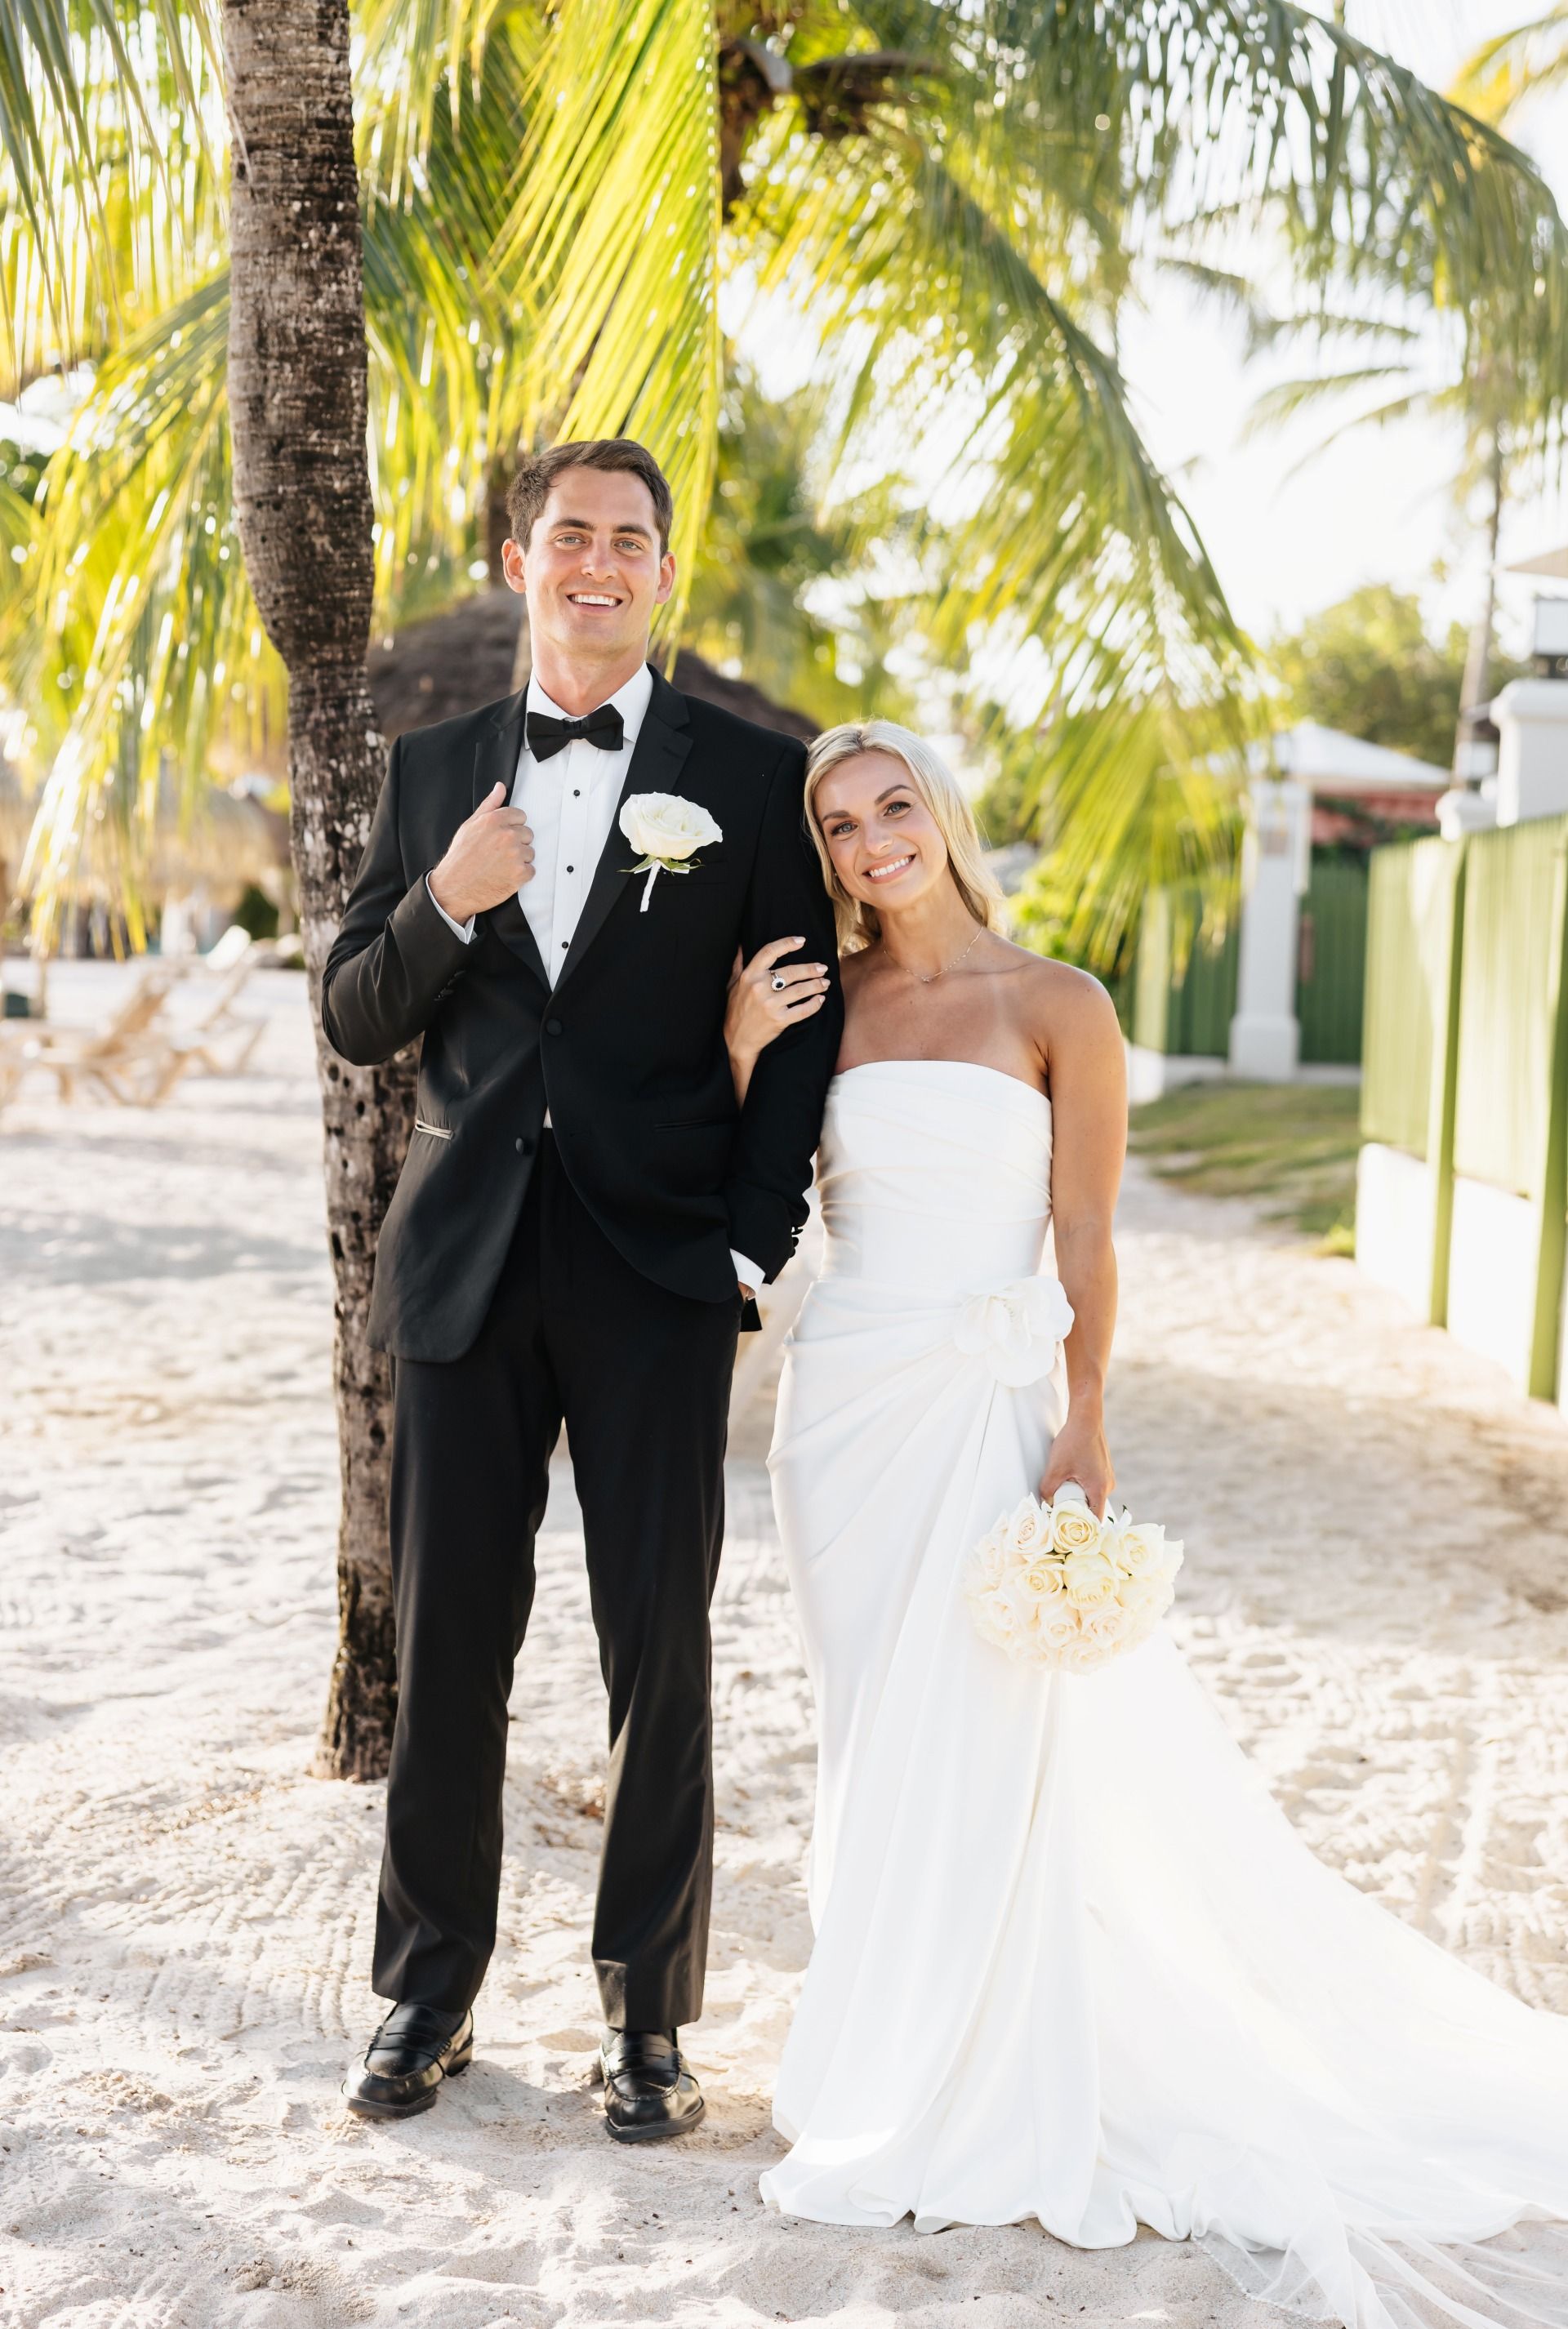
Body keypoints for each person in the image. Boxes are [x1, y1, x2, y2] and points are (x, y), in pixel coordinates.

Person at [724, 717, 1568, 2329]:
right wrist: (747, 1051)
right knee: (870, 1733)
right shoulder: (819, 1005)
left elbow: (1090, 1237)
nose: (872, 841)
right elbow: (748, 1174)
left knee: (991, 1728)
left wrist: (1087, 1412)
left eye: (893, 805)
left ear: (943, 812)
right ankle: (884, 2034)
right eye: (840, 826)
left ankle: (982, 2057)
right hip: (844, 1417)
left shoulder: (1060, 1005)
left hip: (990, 1401)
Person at [322, 438, 840, 2138]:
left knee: (656, 1652)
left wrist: (750, 1243)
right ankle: (425, 1991)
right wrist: (447, 910)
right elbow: (354, 1011)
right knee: (453, 1643)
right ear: (516, 557)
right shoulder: (433, 770)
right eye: (571, 536)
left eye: (631, 539)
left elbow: (802, 1022)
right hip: (466, 1264)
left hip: (657, 1272)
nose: (599, 561)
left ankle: (649, 2023)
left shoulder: (752, 784)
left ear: (664, 573)